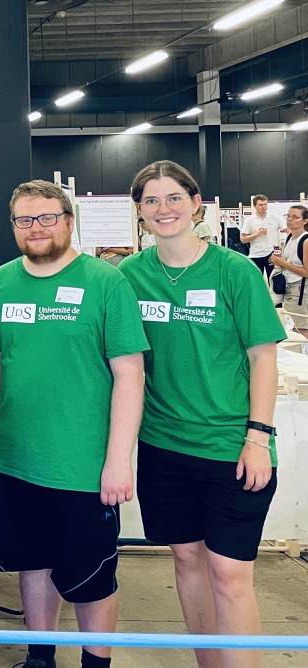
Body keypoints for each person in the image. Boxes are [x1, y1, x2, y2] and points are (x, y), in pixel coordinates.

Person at [0, 179, 147, 668]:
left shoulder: (106, 282)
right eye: (25, 220)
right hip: (14, 458)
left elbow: (129, 374)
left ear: (69, 221)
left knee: (91, 575)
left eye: (47, 217)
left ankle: (96, 663)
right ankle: (40, 657)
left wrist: (118, 460)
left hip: (83, 463)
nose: (36, 228)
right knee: (32, 562)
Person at [120, 161, 285, 668]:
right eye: (151, 201)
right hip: (164, 447)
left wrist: (258, 437)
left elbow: (263, 358)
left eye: (173, 198)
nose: (163, 209)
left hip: (232, 448)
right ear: (140, 214)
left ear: (196, 204)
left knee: (230, 575)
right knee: (187, 562)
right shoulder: (129, 276)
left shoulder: (233, 271)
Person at [271, 205, 308, 334]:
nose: (290, 219)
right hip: (289, 287)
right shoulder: (289, 237)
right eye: (288, 216)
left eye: (295, 217)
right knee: (294, 326)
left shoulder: (305, 241)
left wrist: (282, 263)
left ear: (305, 221)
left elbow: (306, 272)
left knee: (302, 328)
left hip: (301, 290)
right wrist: (278, 261)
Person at [240, 194, 284, 276]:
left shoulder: (274, 218)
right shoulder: (249, 220)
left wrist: (283, 248)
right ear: (254, 206)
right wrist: (257, 234)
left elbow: (288, 229)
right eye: (260, 205)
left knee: (274, 282)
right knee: (256, 282)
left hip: (271, 255)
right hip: (255, 255)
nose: (263, 207)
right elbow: (243, 239)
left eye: (265, 204)